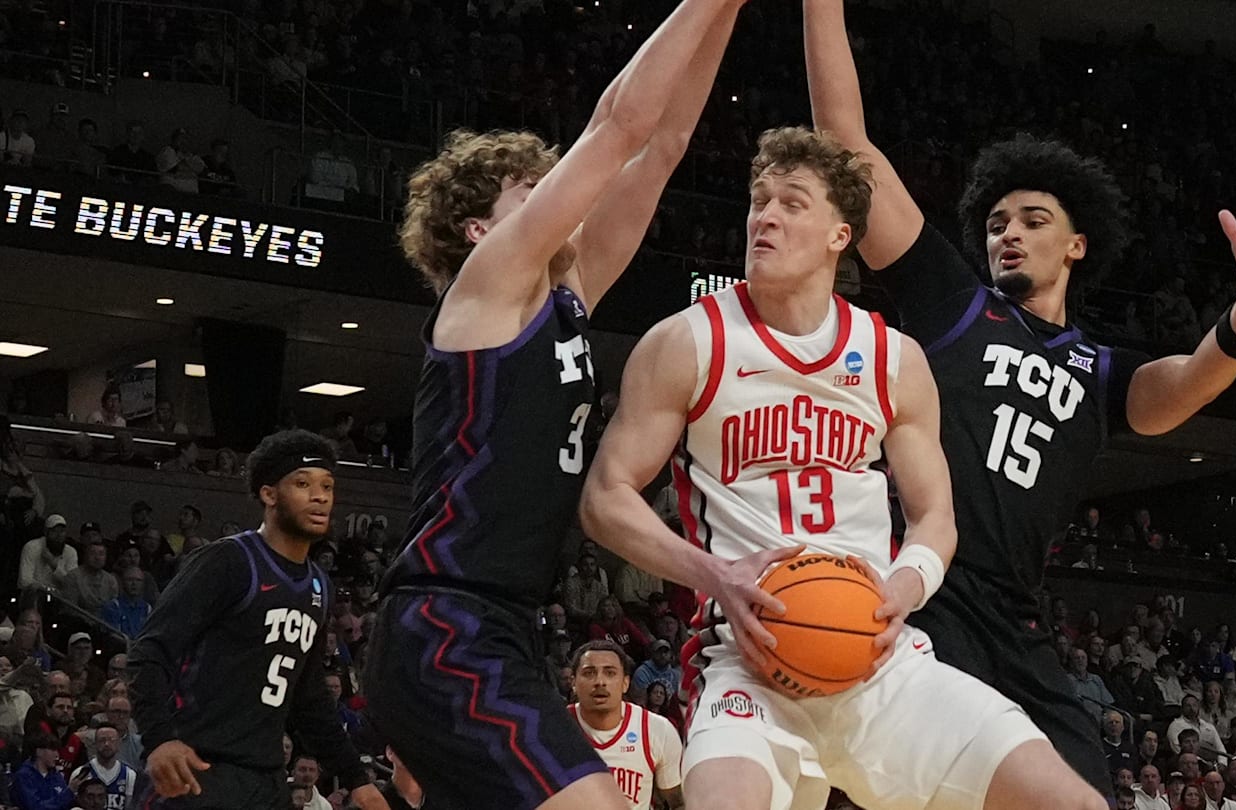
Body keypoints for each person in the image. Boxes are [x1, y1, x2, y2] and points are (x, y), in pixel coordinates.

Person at [802, 0, 1236, 796]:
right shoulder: (953, 302)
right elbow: (848, 143)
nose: (1006, 233)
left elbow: (1181, 387)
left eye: (1032, 220)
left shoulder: (1099, 369)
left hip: (1016, 621)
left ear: (1076, 245)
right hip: (922, 592)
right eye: (996, 222)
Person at [582, 125, 1100, 810]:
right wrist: (717, 575)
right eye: (758, 201)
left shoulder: (895, 358)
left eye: (792, 203)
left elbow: (934, 517)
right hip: (745, 661)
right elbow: (605, 497)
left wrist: (906, 587)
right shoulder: (686, 341)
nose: (764, 216)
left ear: (840, 234)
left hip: (879, 662)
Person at [362, 0, 753, 806]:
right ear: (477, 230)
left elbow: (662, 144)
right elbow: (616, 126)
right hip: (446, 625)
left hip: (502, 625)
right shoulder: (485, 289)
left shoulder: (563, 296)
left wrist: (731, 14)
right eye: (528, 190)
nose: (555, 198)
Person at [127, 431, 384, 809]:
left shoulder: (319, 585)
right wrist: (160, 738)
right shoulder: (228, 561)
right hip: (195, 768)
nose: (320, 496)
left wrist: (356, 779)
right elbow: (149, 650)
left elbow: (310, 697)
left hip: (264, 779)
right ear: (269, 494)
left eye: (327, 486)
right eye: (303, 484)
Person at [567, 641, 683, 810]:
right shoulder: (553, 729)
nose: (600, 681)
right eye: (589, 673)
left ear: (625, 683)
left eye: (610, 673)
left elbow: (677, 803)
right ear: (573, 682)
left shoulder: (657, 729)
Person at [68, 723, 138, 809]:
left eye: (111, 740)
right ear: (95, 743)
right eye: (102, 740)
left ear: (119, 743)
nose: (107, 744)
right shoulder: (80, 773)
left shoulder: (129, 775)